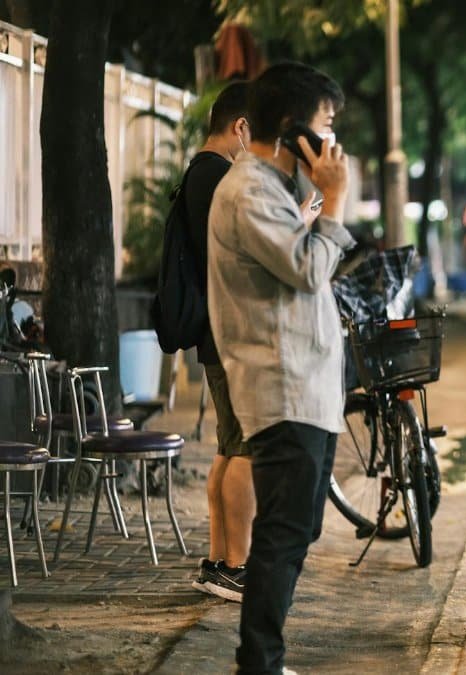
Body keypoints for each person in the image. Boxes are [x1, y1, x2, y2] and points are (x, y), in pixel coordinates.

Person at [207, 62, 353, 675]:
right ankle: (258, 662)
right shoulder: (248, 192)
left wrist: (317, 199)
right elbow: (309, 268)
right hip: (281, 387)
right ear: (295, 128)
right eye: (326, 123)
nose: (333, 139)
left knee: (298, 529)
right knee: (282, 533)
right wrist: (335, 203)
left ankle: (264, 658)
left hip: (307, 389)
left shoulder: (274, 187)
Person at [182, 81, 268, 604]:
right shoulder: (219, 177)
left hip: (215, 331)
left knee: (227, 445)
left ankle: (217, 561)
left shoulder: (199, 173)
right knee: (245, 449)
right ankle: (236, 566)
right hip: (231, 331)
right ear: (241, 127)